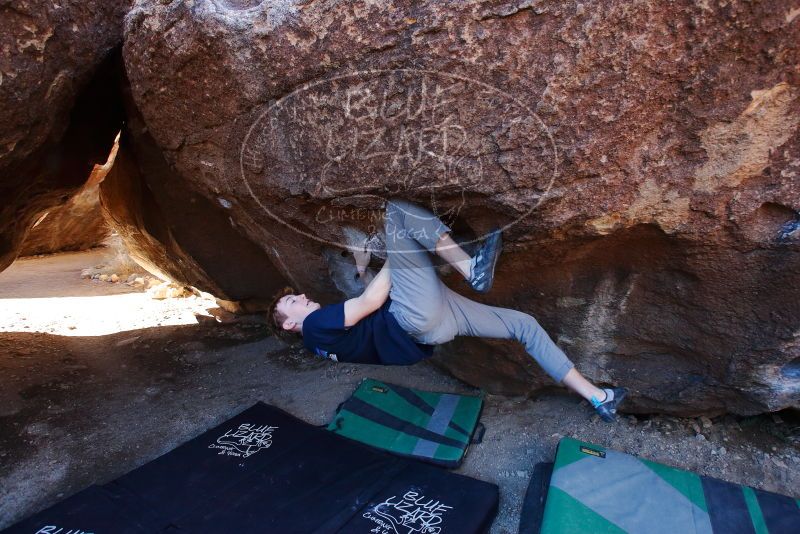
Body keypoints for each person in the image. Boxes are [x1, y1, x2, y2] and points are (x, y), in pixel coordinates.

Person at [270, 199, 627, 422]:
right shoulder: (315, 325)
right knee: (395, 211)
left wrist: (365, 266)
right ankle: (471, 268)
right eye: (291, 303)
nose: (300, 297)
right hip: (413, 315)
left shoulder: (320, 344)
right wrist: (398, 254)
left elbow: (365, 316)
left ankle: (599, 397)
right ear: (290, 325)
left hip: (433, 327)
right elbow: (372, 303)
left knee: (524, 324)